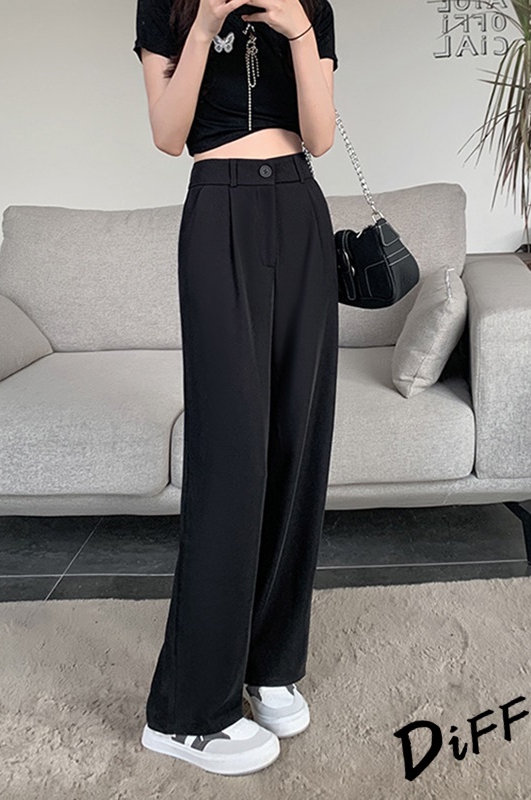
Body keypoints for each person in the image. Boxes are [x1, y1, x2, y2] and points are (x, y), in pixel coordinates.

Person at [133, 0, 340, 777]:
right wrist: (203, 25)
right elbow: (167, 134)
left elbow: (320, 135)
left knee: (296, 444)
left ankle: (269, 661)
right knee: (232, 455)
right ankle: (185, 711)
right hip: (218, 205)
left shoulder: (309, 6)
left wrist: (298, 30)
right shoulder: (168, 5)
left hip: (299, 204)